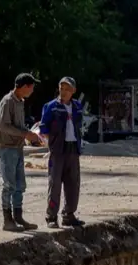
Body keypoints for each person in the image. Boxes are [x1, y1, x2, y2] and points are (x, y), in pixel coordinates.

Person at [0, 73, 41, 232]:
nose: (32, 91)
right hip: (7, 148)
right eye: (31, 87)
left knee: (20, 184)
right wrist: (25, 134)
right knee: (9, 184)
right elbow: (4, 126)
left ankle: (18, 216)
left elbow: (19, 127)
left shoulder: (20, 102)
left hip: (17, 148)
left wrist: (30, 135)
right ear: (24, 87)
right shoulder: (7, 101)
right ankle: (7, 220)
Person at [39, 76, 85, 228]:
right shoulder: (51, 106)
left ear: (73, 91)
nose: (64, 92)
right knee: (55, 184)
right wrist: (50, 144)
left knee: (73, 183)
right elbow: (44, 128)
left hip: (73, 149)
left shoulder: (77, 106)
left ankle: (69, 215)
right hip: (58, 150)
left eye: (67, 89)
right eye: (62, 88)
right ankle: (51, 217)